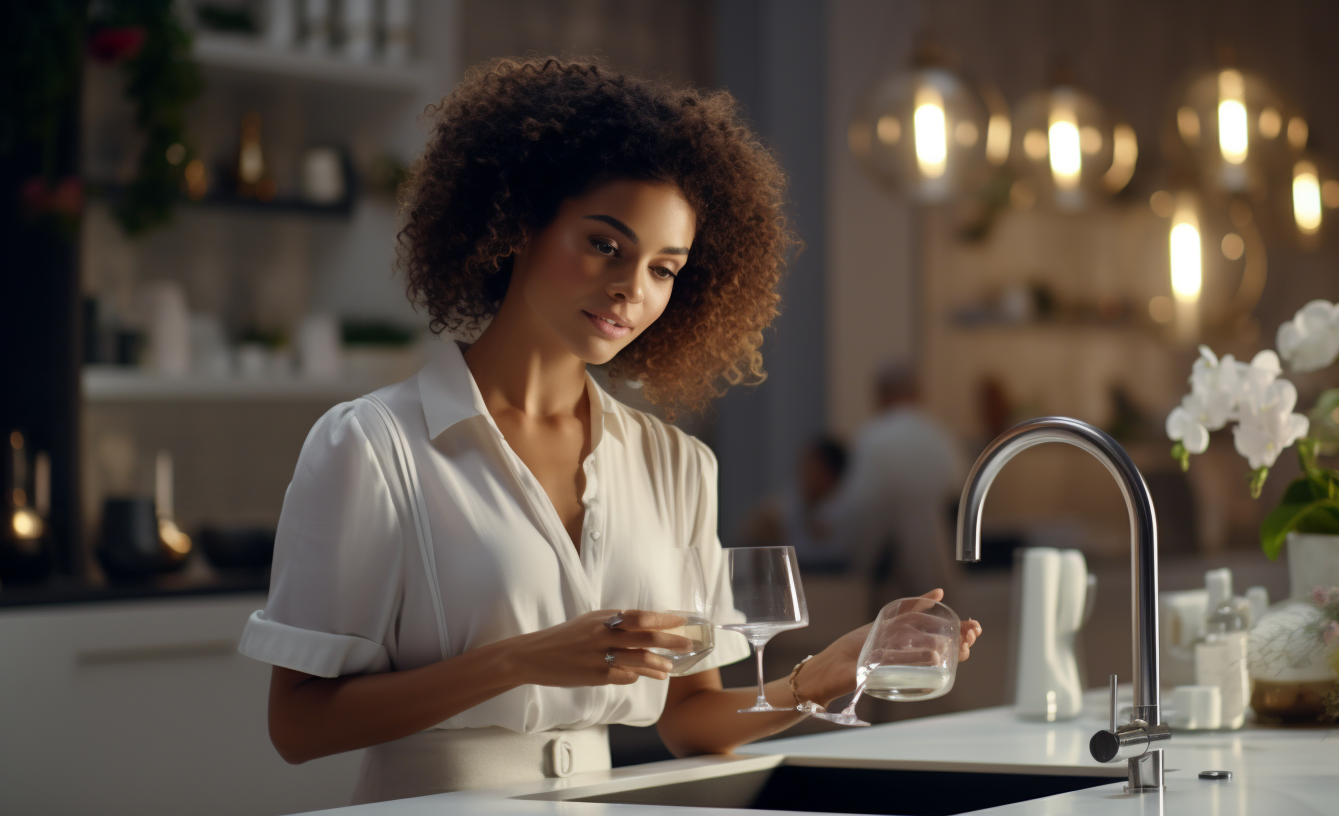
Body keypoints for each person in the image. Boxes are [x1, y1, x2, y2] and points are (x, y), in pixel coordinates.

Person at [237, 58, 982, 805]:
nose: (632, 289)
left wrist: (821, 675)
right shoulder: (372, 446)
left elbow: (690, 720)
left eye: (665, 268)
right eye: (605, 245)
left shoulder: (676, 464)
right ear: (519, 222)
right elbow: (299, 727)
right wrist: (519, 660)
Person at [822, 361, 966, 601]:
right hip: (936, 551)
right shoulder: (938, 432)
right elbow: (958, 485)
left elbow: (859, 500)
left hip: (887, 561)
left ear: (882, 394)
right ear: (916, 393)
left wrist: (826, 518)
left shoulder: (872, 434)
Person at [738, 435, 850, 570]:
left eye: (813, 467)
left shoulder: (847, 515)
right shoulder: (772, 513)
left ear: (832, 475)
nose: (803, 471)